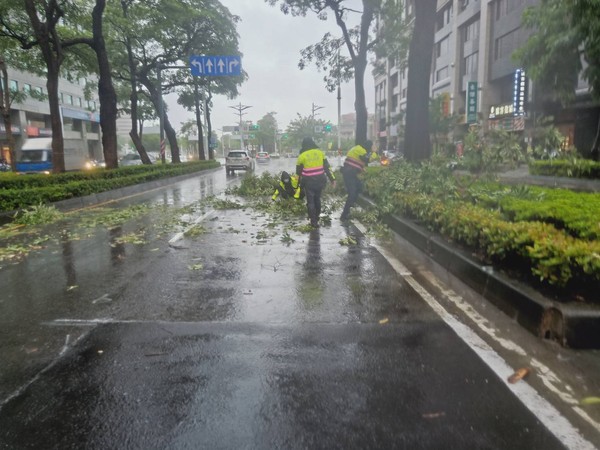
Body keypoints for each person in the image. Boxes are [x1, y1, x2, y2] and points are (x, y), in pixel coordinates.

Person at [295, 137, 336, 228]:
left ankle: (313, 221)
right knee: (317, 199)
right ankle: (316, 217)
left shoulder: (302, 156)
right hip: (321, 180)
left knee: (310, 201)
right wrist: (333, 179)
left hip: (309, 182)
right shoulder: (320, 153)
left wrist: (296, 187)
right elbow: (327, 168)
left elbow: (298, 174)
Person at [340, 140, 373, 222]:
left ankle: (351, 204)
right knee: (352, 193)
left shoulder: (357, 148)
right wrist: (374, 152)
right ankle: (344, 215)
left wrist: (361, 168)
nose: (372, 147)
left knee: (359, 187)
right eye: (371, 146)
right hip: (349, 173)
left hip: (350, 172)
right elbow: (367, 159)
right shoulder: (361, 150)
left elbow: (356, 160)